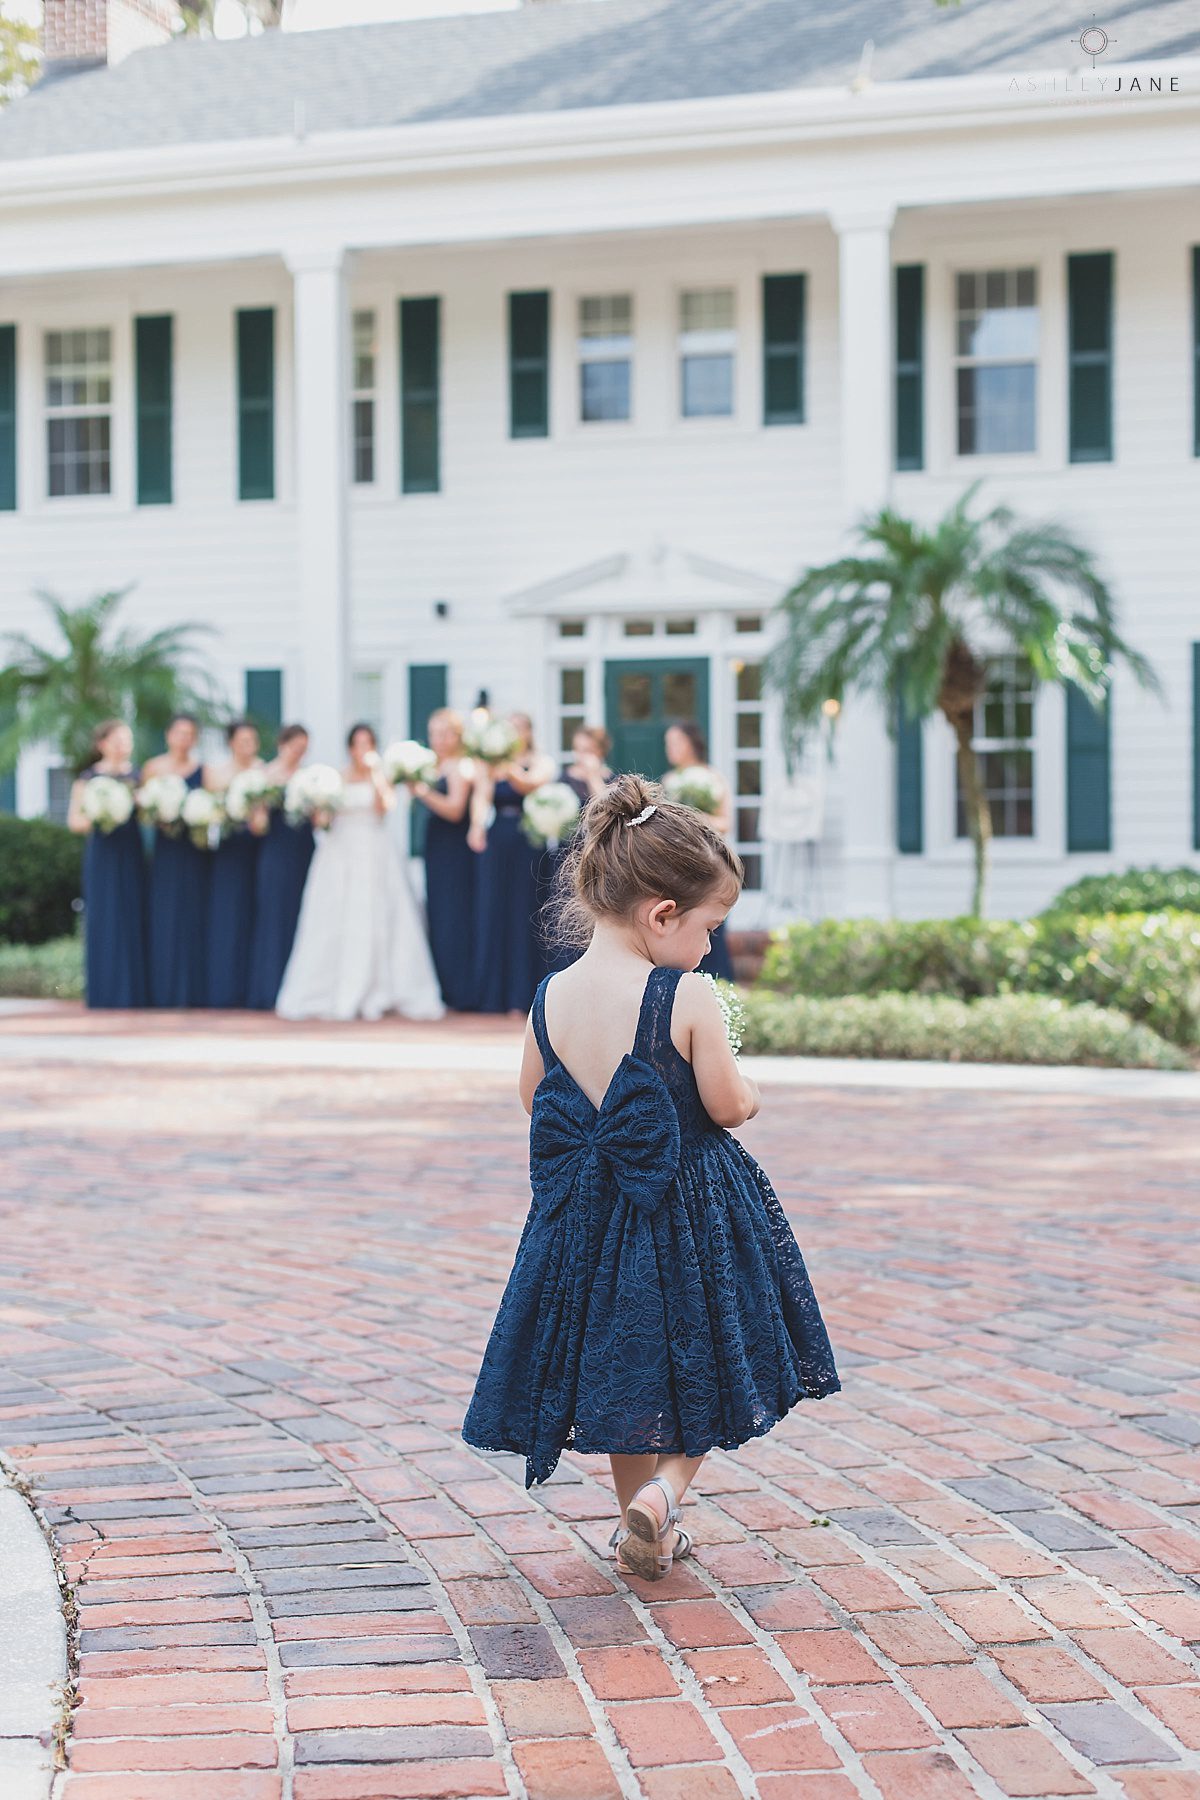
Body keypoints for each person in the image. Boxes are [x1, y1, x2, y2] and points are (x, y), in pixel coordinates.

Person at [462, 774, 840, 1579]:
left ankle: (646, 1529)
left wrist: (597, 1125)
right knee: (714, 1352)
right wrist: (752, 1092)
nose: (709, 946)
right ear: (661, 914)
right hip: (688, 1209)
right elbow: (726, 1103)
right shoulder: (687, 992)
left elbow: (533, 1094)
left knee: (626, 1372)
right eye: (708, 927)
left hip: (590, 1218)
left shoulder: (550, 994)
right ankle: (667, 1496)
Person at [276, 722, 444, 1022]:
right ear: (350, 747)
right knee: (334, 917)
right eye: (358, 743)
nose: (363, 749)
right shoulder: (336, 777)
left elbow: (384, 808)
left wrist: (377, 771)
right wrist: (318, 804)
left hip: (374, 850)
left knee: (378, 914)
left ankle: (381, 989)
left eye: (369, 742)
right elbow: (323, 822)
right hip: (340, 853)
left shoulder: (382, 776)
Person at [468, 712, 554, 1015]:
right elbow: (482, 795)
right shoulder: (491, 763)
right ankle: (493, 995)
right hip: (498, 838)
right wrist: (477, 826)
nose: (514, 733)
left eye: (519, 728)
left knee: (523, 911)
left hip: (528, 839)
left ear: (529, 732)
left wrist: (507, 764)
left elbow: (529, 784)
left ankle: (522, 995)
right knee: (494, 910)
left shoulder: (539, 760)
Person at [67, 720, 149, 1009]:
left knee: (132, 914)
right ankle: (104, 992)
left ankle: (134, 992)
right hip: (102, 854)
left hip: (131, 851)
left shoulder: (138, 776)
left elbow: (150, 817)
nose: (123, 746)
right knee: (104, 916)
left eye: (127, 740)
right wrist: (101, 814)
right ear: (102, 744)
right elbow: (75, 821)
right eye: (117, 740)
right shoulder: (87, 779)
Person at [410, 708, 478, 1011]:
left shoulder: (460, 766)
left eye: (444, 733)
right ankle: (442, 985)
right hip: (435, 847)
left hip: (454, 850)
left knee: (454, 914)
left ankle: (460, 988)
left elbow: (455, 809)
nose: (438, 739)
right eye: (434, 733)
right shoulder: (433, 765)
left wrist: (423, 792)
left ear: (456, 735)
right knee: (437, 913)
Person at [246, 723, 315, 1012]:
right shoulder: (264, 776)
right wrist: (261, 804)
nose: (298, 754)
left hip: (304, 850)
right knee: (274, 914)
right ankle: (269, 987)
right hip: (275, 850)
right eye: (294, 747)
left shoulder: (309, 778)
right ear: (282, 745)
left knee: (303, 915)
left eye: (303, 749)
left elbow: (319, 821)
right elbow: (257, 826)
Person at [144, 712, 209, 1008]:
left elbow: (211, 807)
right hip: (165, 852)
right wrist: (160, 817)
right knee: (166, 917)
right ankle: (164, 991)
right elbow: (143, 812)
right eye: (179, 732)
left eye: (190, 733)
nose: (184, 739)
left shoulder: (203, 771)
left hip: (194, 850)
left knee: (194, 915)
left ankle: (194, 991)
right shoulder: (153, 768)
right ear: (169, 735)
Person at [664, 720, 735, 980]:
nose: (670, 749)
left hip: (708, 860)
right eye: (668, 744)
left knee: (710, 920)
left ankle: (718, 978)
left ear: (691, 743)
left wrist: (696, 816)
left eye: (675, 743)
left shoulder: (714, 778)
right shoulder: (669, 781)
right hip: (677, 865)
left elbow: (725, 823)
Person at [546, 724, 615, 972]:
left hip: (599, 857)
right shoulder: (564, 779)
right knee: (566, 914)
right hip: (568, 854)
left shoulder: (609, 779)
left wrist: (592, 777)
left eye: (587, 749)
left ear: (599, 751)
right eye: (577, 749)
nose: (581, 755)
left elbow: (606, 810)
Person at [205, 719, 264, 1010]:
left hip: (259, 850)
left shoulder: (263, 771)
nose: (248, 746)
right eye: (242, 741)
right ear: (231, 743)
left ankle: (253, 988)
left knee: (256, 916)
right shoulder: (216, 774)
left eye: (252, 740)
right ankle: (223, 988)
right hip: (228, 850)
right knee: (228, 916)